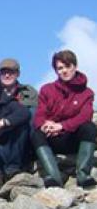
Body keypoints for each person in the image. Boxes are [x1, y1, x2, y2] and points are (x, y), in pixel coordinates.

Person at [32, 50, 96, 188]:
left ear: (75, 66)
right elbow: (40, 114)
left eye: (67, 66)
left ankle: (83, 174)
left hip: (73, 139)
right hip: (52, 138)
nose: (64, 71)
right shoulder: (47, 89)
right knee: (36, 133)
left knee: (89, 127)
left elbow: (85, 115)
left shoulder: (87, 93)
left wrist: (61, 126)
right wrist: (45, 126)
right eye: (60, 68)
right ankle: (54, 177)